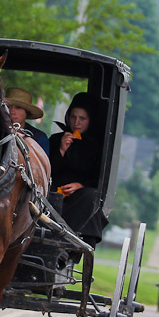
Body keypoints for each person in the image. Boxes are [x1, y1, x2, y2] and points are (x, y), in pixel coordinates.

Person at [49, 92, 107, 247]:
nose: (76, 122)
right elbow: (47, 169)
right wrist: (61, 150)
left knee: (91, 196)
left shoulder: (98, 147)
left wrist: (80, 185)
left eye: (82, 119)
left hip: (79, 193)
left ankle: (68, 239)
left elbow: (98, 175)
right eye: (73, 117)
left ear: (90, 120)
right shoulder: (55, 139)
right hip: (53, 188)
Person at [5, 87, 50, 156]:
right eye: (8, 106)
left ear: (27, 113)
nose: (11, 111)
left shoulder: (39, 138)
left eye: (18, 107)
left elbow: (43, 165)